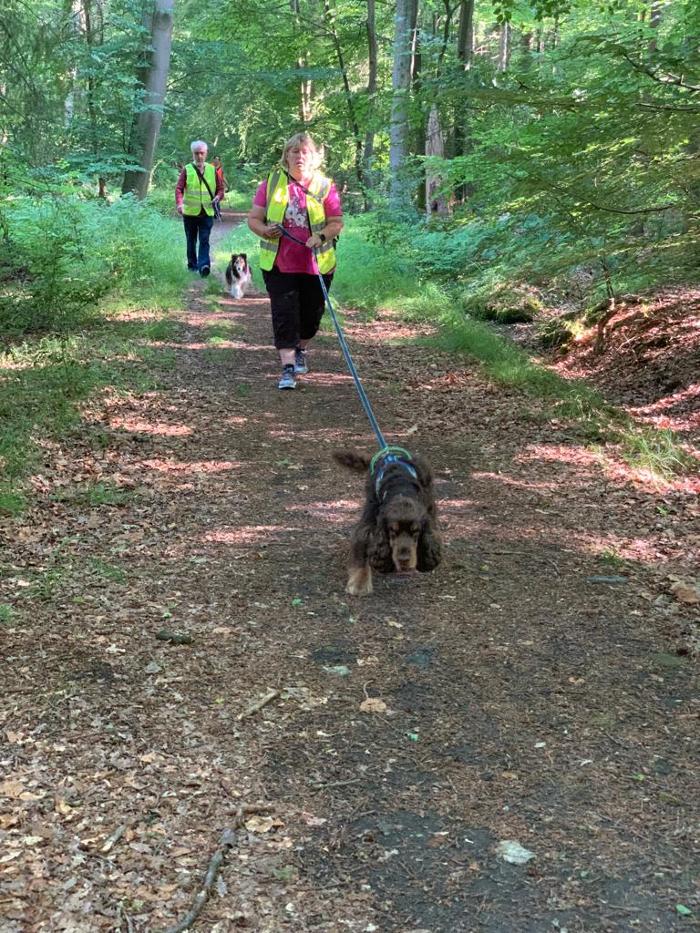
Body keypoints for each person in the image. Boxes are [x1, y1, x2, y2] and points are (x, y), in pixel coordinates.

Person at [247, 132, 344, 390]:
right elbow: (254, 219)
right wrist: (265, 231)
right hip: (280, 264)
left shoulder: (325, 186)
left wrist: (320, 236)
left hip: (316, 264)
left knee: (311, 316)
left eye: (304, 152)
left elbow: (336, 223)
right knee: (284, 314)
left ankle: (301, 348)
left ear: (314, 157)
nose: (299, 156)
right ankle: (288, 368)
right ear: (286, 155)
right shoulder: (271, 183)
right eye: (294, 151)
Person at [175, 140, 225, 277]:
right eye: (196, 153)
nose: (199, 156)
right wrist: (179, 204)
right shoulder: (187, 169)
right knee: (191, 240)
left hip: (207, 212)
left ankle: (204, 266)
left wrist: (218, 197)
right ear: (193, 154)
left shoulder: (212, 170)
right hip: (189, 213)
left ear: (206, 153)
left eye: (202, 153)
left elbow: (221, 189)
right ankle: (192, 265)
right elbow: (179, 188)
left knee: (204, 239)